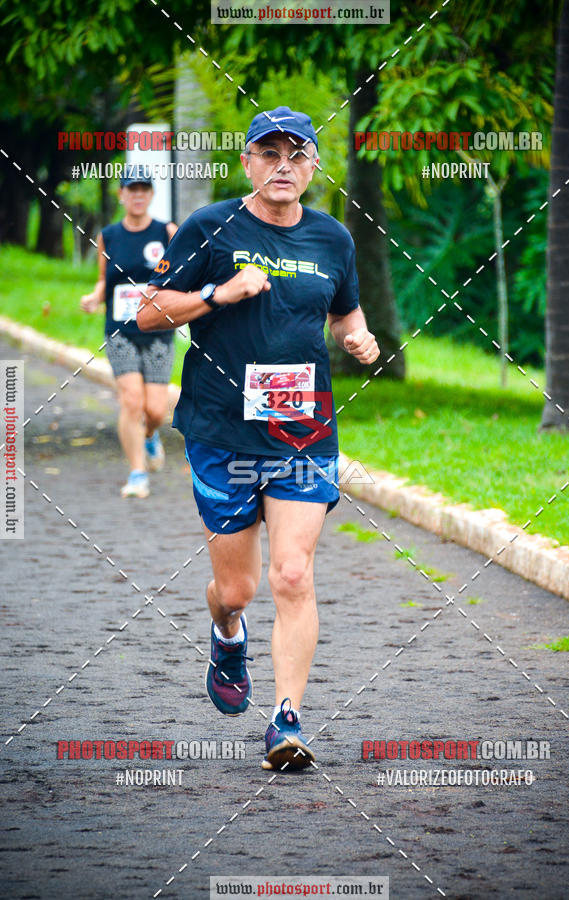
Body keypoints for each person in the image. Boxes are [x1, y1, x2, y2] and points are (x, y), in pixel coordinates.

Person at [139, 107, 379, 770]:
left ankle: (287, 720)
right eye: (269, 152)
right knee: (239, 590)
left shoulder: (332, 238)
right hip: (222, 429)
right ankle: (226, 633)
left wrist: (359, 338)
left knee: (294, 573)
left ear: (314, 167)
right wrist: (219, 292)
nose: (283, 165)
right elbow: (148, 311)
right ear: (246, 161)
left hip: (304, 430)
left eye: (297, 154)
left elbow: (345, 315)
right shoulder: (210, 228)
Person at [80, 164, 177, 498]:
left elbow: (180, 276)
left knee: (155, 411)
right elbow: (105, 279)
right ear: (121, 194)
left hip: (159, 330)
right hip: (120, 331)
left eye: (143, 189)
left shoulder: (167, 231)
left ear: (150, 195)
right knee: (131, 402)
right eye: (131, 189)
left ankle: (150, 435)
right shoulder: (109, 234)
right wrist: (94, 297)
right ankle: (137, 473)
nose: (137, 195)